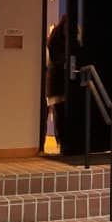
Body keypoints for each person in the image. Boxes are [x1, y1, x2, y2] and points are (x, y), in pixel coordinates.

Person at [45, 14, 69, 152]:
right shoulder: (57, 40)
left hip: (58, 82)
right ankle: (61, 142)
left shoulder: (56, 38)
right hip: (57, 82)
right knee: (59, 112)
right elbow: (56, 60)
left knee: (60, 112)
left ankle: (62, 141)